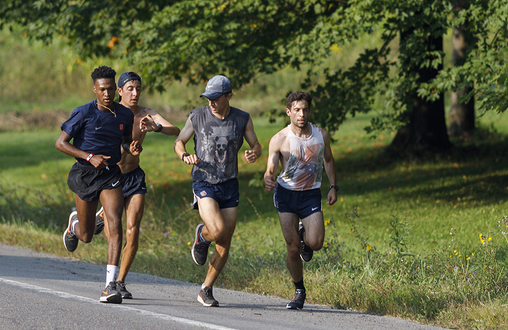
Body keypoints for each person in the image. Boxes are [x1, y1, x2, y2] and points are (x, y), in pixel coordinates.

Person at [55, 66, 141, 304]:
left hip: (110, 174)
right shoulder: (83, 113)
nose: (107, 94)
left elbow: (122, 142)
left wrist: (129, 148)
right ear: (95, 89)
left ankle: (109, 285)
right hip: (85, 174)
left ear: (116, 89)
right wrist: (88, 156)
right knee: (87, 235)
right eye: (102, 89)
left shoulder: (125, 114)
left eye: (111, 89)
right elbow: (61, 143)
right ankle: (74, 225)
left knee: (115, 223)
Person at [174, 74, 262, 307]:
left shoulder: (242, 119)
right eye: (208, 97)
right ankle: (202, 236)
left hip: (229, 184)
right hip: (204, 181)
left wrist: (255, 152)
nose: (211, 102)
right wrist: (185, 155)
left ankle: (206, 289)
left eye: (216, 98)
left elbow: (256, 144)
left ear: (229, 96)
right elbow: (179, 141)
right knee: (217, 229)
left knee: (225, 239)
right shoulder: (198, 116)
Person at [92, 71, 181, 299]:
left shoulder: (146, 114)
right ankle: (101, 216)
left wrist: (156, 127)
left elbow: (176, 131)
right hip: (111, 177)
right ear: (119, 91)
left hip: (134, 177)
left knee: (132, 230)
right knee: (116, 232)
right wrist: (125, 148)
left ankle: (120, 281)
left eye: (138, 88)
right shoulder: (110, 113)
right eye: (129, 88)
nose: (135, 93)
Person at [263, 91, 338, 310]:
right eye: (296, 110)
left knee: (315, 243)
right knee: (293, 249)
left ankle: (305, 233)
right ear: (289, 112)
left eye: (305, 109)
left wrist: (333, 186)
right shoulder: (279, 139)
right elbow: (270, 169)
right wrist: (268, 179)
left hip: (310, 194)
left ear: (310, 111)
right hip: (286, 195)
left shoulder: (321, 135)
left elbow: (329, 160)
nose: (301, 114)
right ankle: (299, 290)